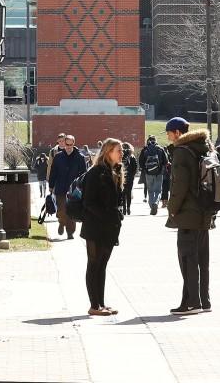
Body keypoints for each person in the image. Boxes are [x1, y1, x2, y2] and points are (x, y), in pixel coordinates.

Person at [164, 117, 213, 314]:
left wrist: (172, 208)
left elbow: (179, 185)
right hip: (205, 211)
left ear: (177, 132)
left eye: (169, 133)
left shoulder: (182, 152)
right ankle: (203, 300)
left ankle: (191, 302)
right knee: (202, 259)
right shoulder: (203, 147)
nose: (168, 137)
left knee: (187, 259)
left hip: (187, 213)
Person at [81, 136, 124, 315]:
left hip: (110, 226)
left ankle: (101, 303)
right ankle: (94, 306)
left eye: (122, 150)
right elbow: (88, 202)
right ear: (108, 152)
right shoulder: (96, 172)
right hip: (95, 226)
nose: (122, 153)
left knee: (102, 265)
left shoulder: (115, 171)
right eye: (118, 150)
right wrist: (106, 217)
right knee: (94, 264)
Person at [48, 133, 88, 239]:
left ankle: (70, 232)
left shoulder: (80, 157)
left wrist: (83, 188)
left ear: (73, 143)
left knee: (71, 211)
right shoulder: (58, 157)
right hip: (60, 187)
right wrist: (51, 186)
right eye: (67, 144)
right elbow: (53, 172)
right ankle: (61, 222)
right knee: (61, 210)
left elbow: (84, 174)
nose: (69, 146)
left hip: (74, 190)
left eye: (71, 144)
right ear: (64, 143)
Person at [140, 135, 168, 215]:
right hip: (159, 173)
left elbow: (141, 161)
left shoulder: (145, 149)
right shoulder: (160, 148)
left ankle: (152, 205)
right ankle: (156, 202)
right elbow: (166, 161)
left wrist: (144, 169)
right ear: (155, 140)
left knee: (150, 190)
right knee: (158, 191)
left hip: (148, 173)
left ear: (148, 140)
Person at [121, 143, 137, 215]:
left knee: (123, 193)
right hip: (130, 178)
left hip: (122, 178)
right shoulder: (132, 157)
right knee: (128, 193)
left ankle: (124, 208)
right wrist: (132, 176)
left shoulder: (120, 156)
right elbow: (135, 168)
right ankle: (128, 208)